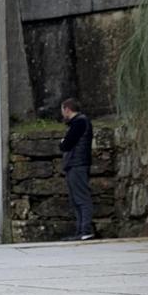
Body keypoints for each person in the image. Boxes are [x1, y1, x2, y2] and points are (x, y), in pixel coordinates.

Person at [59, 97, 94, 241]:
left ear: (67, 109)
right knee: (76, 199)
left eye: (62, 110)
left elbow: (66, 144)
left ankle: (86, 230)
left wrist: (63, 142)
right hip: (74, 163)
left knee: (81, 198)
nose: (62, 114)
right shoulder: (78, 122)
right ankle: (81, 231)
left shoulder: (79, 122)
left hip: (78, 163)